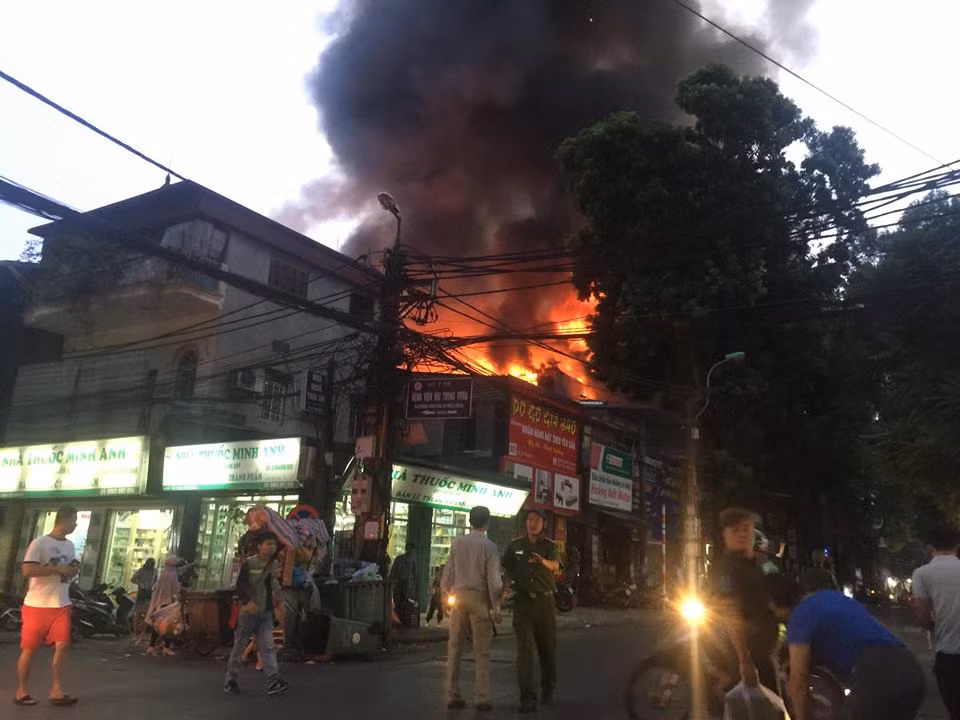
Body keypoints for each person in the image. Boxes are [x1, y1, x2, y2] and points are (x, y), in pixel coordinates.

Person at [768, 574, 924, 720]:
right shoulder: (832, 597)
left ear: (775, 601)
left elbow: (798, 681)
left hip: (877, 676)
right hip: (910, 670)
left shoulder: (800, 616)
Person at [706, 507, 779, 696]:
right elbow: (731, 614)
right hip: (748, 653)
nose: (742, 534)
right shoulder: (726, 570)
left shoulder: (760, 564)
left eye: (746, 529)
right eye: (734, 530)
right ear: (724, 535)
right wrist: (744, 660)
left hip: (767, 649)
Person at [15, 507, 80, 707]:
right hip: (37, 605)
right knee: (29, 649)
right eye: (74, 521)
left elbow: (69, 567)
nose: (75, 525)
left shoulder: (70, 545)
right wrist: (56, 569)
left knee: (62, 646)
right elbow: (27, 569)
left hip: (61, 603)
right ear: (65, 520)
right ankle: (21, 691)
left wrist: (72, 570)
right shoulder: (39, 543)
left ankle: (57, 690)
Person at [442, 506, 502, 712]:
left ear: (469, 521)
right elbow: (494, 582)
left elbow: (448, 571)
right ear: (487, 523)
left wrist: (444, 594)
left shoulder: (457, 542)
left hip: (458, 596)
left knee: (455, 648)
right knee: (482, 651)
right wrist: (496, 608)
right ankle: (481, 697)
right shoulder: (490, 547)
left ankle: (452, 694)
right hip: (479, 599)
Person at [502, 508, 560, 713]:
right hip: (523, 603)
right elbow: (507, 570)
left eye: (536, 520)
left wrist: (541, 561)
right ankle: (527, 697)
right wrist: (503, 593)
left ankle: (548, 689)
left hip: (545, 603)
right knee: (525, 652)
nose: (532, 523)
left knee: (547, 650)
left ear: (544, 523)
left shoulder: (550, 546)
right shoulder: (516, 545)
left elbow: (555, 566)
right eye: (529, 519)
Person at [224, 531, 288, 696]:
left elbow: (272, 588)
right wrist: (247, 602)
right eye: (268, 543)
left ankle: (273, 680)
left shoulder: (273, 565)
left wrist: (276, 608)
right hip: (248, 613)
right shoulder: (249, 564)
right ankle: (231, 680)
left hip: (265, 613)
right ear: (259, 546)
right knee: (239, 647)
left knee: (268, 647)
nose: (272, 547)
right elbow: (240, 586)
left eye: (273, 544)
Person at [911, 524, 960, 720]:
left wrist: (938, 625)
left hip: (948, 654)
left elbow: (922, 617)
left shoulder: (922, 574)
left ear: (929, 547)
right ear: (957, 544)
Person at [145, 554, 181, 656]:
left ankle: (151, 646)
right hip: (168, 604)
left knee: (157, 626)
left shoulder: (163, 574)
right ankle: (166, 647)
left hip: (159, 603)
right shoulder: (173, 575)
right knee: (169, 627)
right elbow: (175, 590)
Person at [390, 542, 419, 624]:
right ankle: (397, 621)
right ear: (406, 549)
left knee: (406, 605)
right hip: (398, 587)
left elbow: (415, 576)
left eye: (412, 550)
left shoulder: (413, 562)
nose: (410, 552)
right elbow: (393, 573)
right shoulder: (398, 559)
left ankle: (403, 621)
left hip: (408, 589)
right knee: (397, 605)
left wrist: (415, 591)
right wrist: (394, 583)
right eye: (409, 549)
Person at [131, 557, 156, 639]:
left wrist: (152, 586)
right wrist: (140, 584)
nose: (150, 565)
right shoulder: (142, 570)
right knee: (138, 614)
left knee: (146, 615)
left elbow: (155, 581)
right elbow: (132, 579)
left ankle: (142, 633)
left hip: (148, 593)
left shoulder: (154, 571)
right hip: (142, 593)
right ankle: (136, 633)